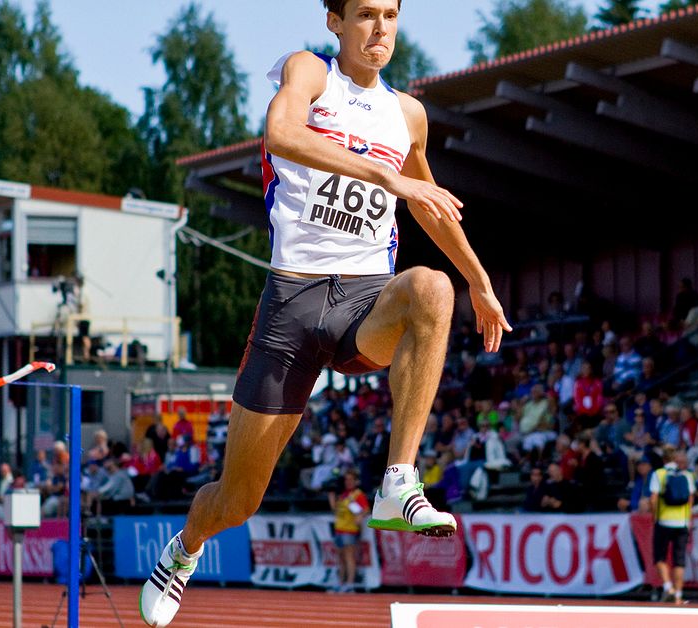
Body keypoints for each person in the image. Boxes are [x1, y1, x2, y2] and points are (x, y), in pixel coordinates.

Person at [141, 3, 512, 624]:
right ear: (334, 21)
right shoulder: (309, 72)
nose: (380, 29)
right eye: (365, 14)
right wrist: (387, 179)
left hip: (364, 300)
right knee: (238, 501)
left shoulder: (408, 115)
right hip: (291, 302)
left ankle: (399, 478)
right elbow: (282, 135)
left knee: (432, 288)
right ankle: (185, 548)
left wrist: (480, 281)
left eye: (390, 15)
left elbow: (427, 206)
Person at [649, 449, 694, 605]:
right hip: (682, 523)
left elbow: (653, 499)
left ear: (663, 459)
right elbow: (690, 499)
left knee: (659, 557)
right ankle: (679, 596)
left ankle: (668, 587)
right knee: (679, 559)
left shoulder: (659, 474)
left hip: (664, 521)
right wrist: (688, 519)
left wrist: (654, 516)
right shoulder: (687, 475)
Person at [328, 469, 369, 593]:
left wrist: (360, 517)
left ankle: (350, 583)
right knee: (340, 557)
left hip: (349, 529)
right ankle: (341, 582)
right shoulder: (344, 494)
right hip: (339, 529)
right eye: (346, 479)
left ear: (355, 481)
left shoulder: (357, 494)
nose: (348, 482)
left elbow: (366, 509)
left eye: (350, 479)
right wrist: (331, 497)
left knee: (348, 556)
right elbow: (336, 510)